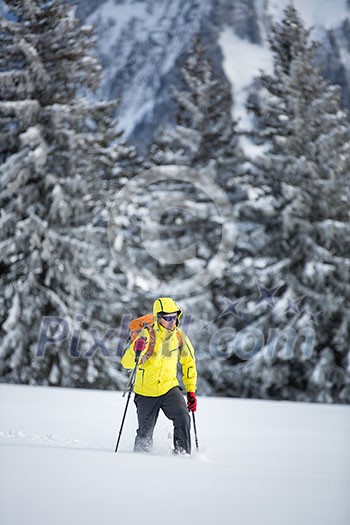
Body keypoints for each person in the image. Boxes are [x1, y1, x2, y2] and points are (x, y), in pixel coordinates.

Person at [121, 297, 197, 454]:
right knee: (144, 434)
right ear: (158, 317)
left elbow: (189, 363)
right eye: (167, 318)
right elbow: (127, 363)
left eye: (175, 317)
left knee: (183, 417)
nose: (172, 321)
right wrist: (135, 348)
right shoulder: (147, 335)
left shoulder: (179, 337)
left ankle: (182, 455)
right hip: (146, 391)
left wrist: (191, 390)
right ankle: (140, 460)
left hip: (169, 387)